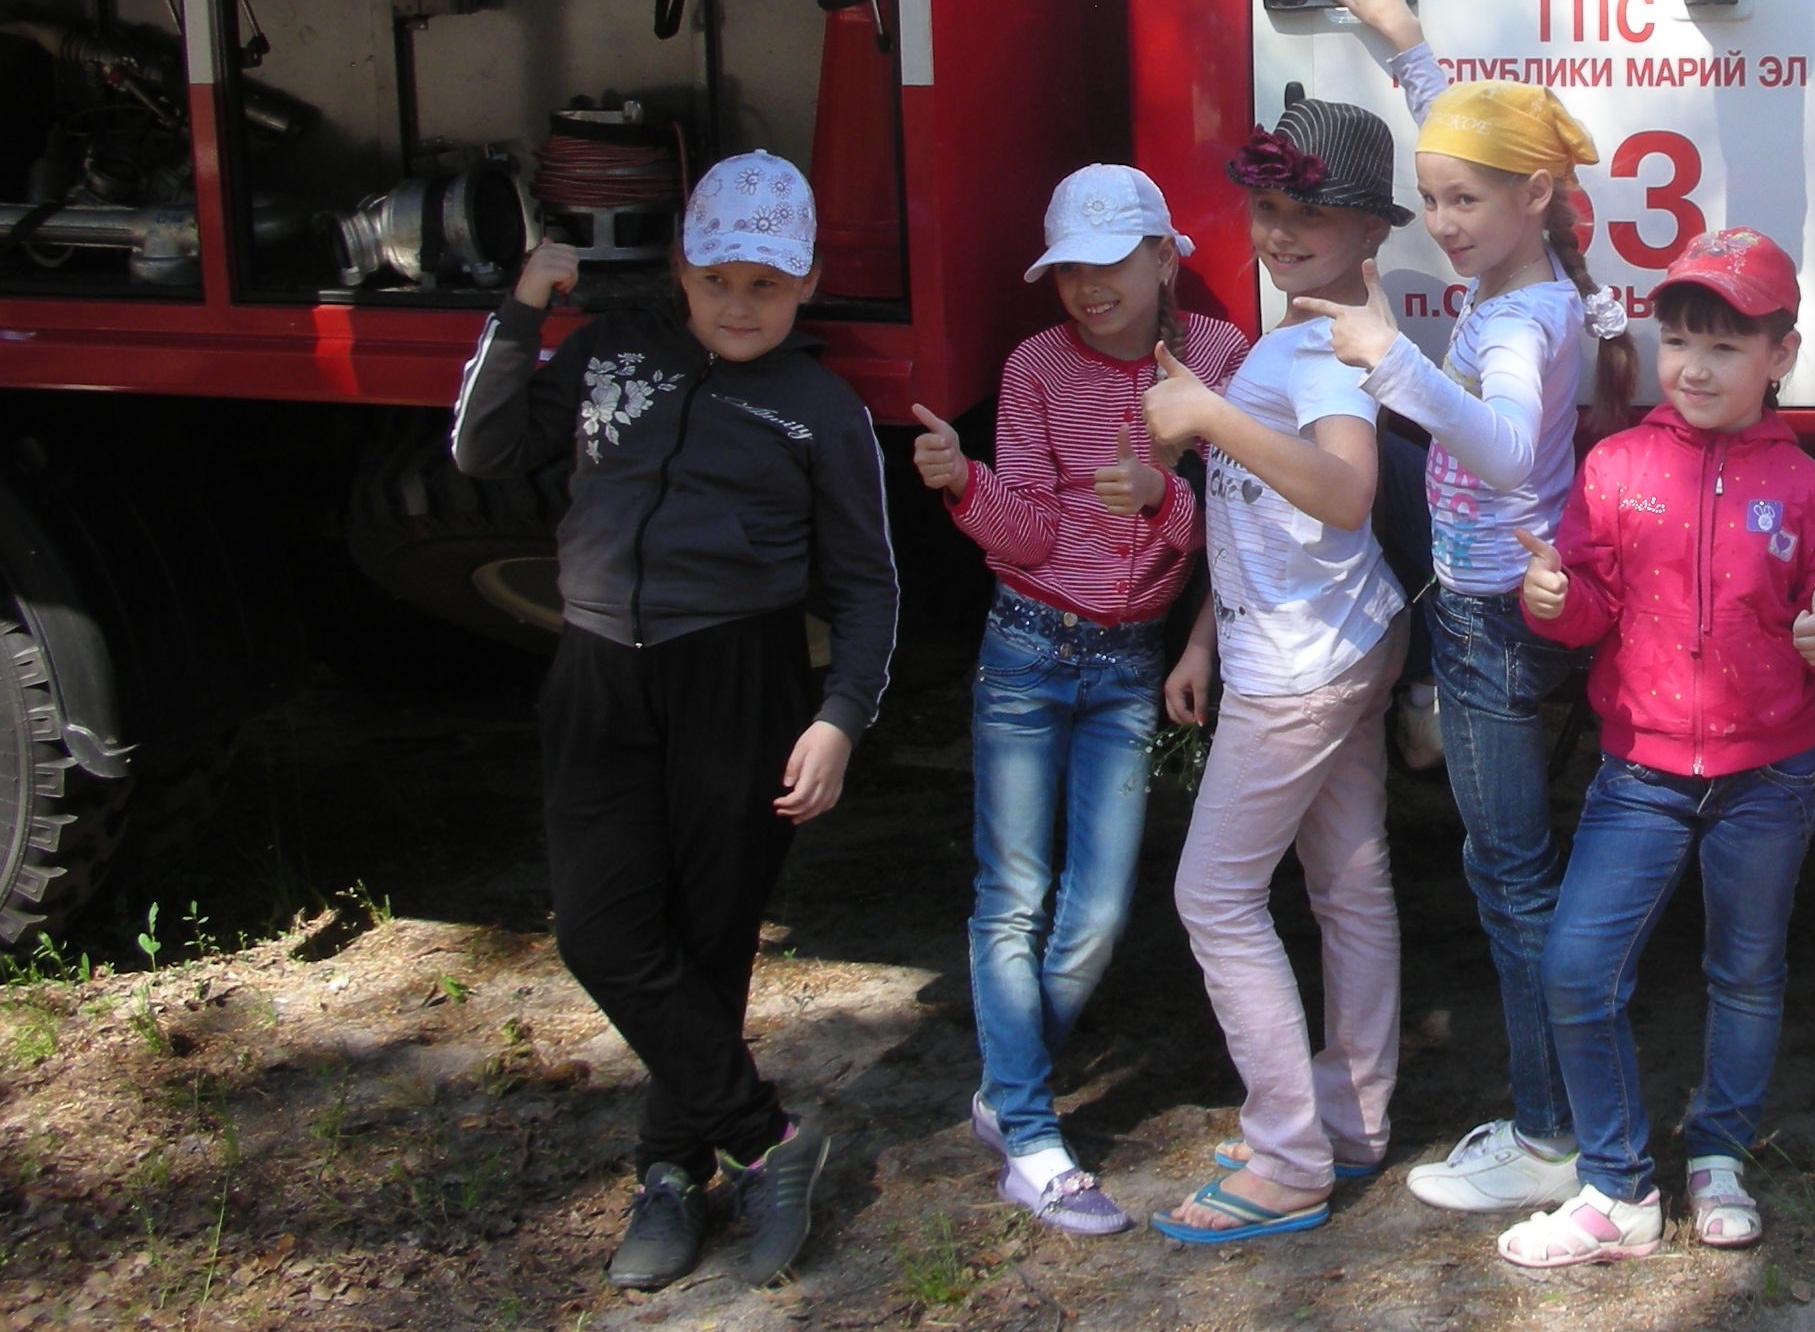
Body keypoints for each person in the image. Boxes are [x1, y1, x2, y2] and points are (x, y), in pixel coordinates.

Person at [451, 151, 896, 1291]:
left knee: (708, 941)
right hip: (598, 670)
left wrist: (840, 717)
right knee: (600, 931)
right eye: (717, 281)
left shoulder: (818, 408)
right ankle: (765, 1140)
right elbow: (483, 448)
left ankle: (665, 1175)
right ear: (677, 272)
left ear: (804, 286)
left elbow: (865, 584)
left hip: (737, 683)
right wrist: (522, 307)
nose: (739, 306)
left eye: (766, 284)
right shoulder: (610, 353)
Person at [1313, 0, 1639, 1219]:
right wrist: (1406, 46)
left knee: (1509, 878)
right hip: (1491, 602)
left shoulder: (1518, 325)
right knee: (1514, 867)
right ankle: (1559, 1112)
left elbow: (1501, 448)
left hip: (1496, 622)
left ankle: (1552, 1132)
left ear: (1532, 200)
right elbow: (1469, 140)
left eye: (1460, 203)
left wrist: (1390, 356)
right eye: (1431, 200)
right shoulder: (1532, 264)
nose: (1440, 222)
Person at [1495, 228, 1815, 1268]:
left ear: (1780, 354)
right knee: (1576, 968)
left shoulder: (1809, 494)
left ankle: (1717, 1157)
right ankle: (1615, 1187)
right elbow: (1584, 605)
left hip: (1768, 779)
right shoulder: (1615, 467)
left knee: (1745, 972)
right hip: (1638, 775)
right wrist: (1552, 599)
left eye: (1723, 346)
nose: (1694, 368)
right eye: (1677, 343)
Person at [911, 165, 1249, 1236]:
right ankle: (1028, 1128)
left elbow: (1241, 519)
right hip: (1023, 647)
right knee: (1012, 895)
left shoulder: (1216, 357)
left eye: (1109, 265)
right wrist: (962, 486)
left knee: (1095, 914)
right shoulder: (1033, 367)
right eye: (1068, 271)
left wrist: (1164, 501)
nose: (1088, 290)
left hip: (1125, 666)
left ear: (1163, 259)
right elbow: (1035, 536)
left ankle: (1006, 1092)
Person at [1139, 98, 1413, 1242]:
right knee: (1347, 884)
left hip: (1303, 663)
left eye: (1315, 212)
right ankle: (1349, 1121)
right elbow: (1265, 515)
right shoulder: (1310, 332)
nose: (1284, 230)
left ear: (1368, 234)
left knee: (1211, 893)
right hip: (1338, 636)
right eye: (1267, 208)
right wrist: (1205, 633)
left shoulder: (1326, 350)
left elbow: (1343, 492)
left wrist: (1204, 411)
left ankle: (1290, 1155)